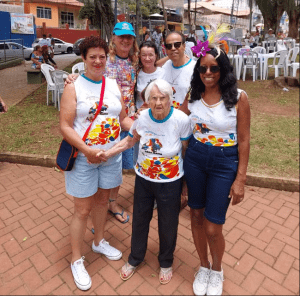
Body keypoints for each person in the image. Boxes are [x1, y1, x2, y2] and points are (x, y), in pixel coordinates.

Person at [96, 79, 192, 285]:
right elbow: (130, 140)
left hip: (170, 182)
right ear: (148, 101)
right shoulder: (142, 119)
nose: (158, 103)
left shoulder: (181, 119)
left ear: (170, 100)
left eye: (162, 98)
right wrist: (109, 152)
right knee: (140, 220)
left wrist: (186, 184)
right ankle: (135, 258)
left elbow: (186, 150)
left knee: (168, 223)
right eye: (153, 98)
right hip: (144, 179)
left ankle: (166, 261)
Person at [60, 35, 133, 291]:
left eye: (102, 56)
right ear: (84, 59)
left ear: (107, 57)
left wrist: (142, 127)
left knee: (103, 201)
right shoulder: (74, 87)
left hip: (111, 156)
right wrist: (87, 150)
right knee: (82, 210)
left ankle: (99, 241)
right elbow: (65, 127)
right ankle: (75, 259)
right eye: (93, 57)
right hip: (83, 159)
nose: (98, 61)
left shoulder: (112, 85)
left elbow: (123, 120)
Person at [180, 46, 250, 295]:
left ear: (223, 70)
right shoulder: (194, 95)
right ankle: (203, 266)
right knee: (196, 217)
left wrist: (240, 179)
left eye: (214, 68)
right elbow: (174, 116)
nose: (207, 72)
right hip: (196, 158)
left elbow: (244, 141)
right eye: (203, 68)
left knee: (213, 225)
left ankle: (217, 270)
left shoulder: (238, 97)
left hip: (225, 162)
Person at [66, 22, 139, 224]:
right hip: (99, 119)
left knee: (118, 166)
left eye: (129, 37)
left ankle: (111, 203)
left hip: (125, 118)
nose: (125, 40)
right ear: (113, 38)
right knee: (98, 169)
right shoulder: (106, 57)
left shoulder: (135, 60)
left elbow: (155, 64)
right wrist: (73, 77)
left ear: (133, 40)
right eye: (121, 36)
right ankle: (93, 209)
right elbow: (89, 76)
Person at [162, 31, 196, 109]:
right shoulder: (165, 66)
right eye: (169, 46)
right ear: (166, 50)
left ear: (184, 46)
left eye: (177, 45)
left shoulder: (195, 68)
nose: (173, 48)